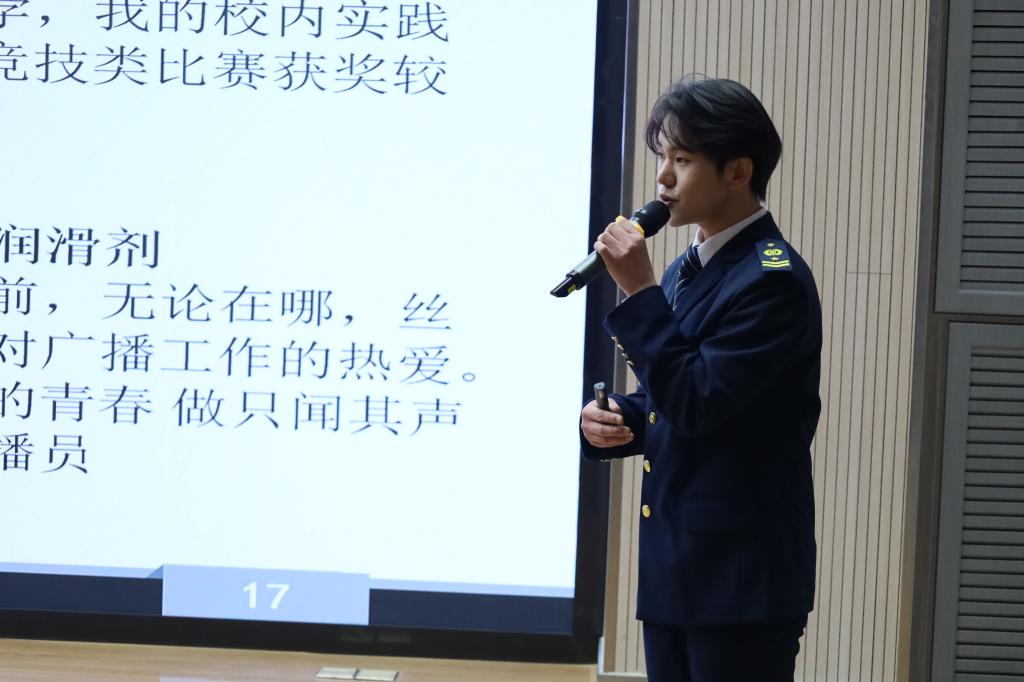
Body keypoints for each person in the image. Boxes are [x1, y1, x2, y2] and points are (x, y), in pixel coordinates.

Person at [580, 76, 822, 682]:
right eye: (661, 157)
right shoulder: (690, 268)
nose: (663, 178)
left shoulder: (772, 280)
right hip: (678, 572)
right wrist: (621, 418)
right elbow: (676, 395)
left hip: (741, 583)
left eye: (682, 160)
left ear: (737, 171)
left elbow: (699, 401)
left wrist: (639, 290)